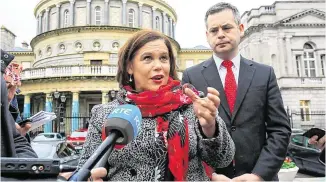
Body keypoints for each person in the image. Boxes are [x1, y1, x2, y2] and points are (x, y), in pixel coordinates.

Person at [77, 30, 235, 181]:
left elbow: (223, 159)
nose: (159, 65)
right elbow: (85, 168)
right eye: (147, 58)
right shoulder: (104, 114)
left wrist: (210, 128)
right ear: (129, 67)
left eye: (164, 58)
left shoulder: (193, 105)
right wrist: (91, 178)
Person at [182, 2, 292, 181]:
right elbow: (186, 135)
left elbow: (279, 130)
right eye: (214, 30)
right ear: (207, 35)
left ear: (241, 29)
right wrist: (209, 175)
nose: (221, 35)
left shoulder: (265, 74)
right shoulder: (191, 76)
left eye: (226, 27)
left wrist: (259, 175)